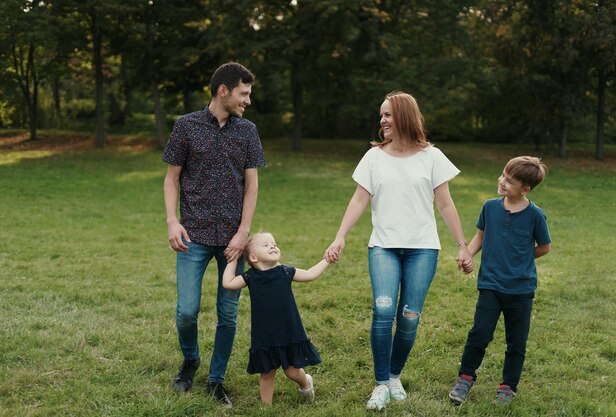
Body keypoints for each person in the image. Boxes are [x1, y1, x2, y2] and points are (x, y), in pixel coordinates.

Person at [324, 91, 473, 410]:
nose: (382, 120)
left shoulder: (432, 157)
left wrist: (463, 246)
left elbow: (445, 204)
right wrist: (340, 237)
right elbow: (359, 199)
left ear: (404, 116)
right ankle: (380, 384)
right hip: (383, 247)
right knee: (382, 310)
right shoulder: (374, 157)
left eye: (388, 115)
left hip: (423, 249)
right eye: (381, 115)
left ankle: (394, 376)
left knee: (408, 318)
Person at [162, 62, 265, 407]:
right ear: (224, 90)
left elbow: (251, 187)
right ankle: (190, 360)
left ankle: (216, 380)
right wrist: (171, 221)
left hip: (233, 242)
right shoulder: (186, 127)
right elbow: (171, 179)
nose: (248, 100)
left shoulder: (248, 131)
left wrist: (243, 233)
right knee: (187, 311)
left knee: (228, 313)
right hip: (193, 235)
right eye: (244, 93)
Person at [448, 156, 551, 405]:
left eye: (510, 180)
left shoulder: (536, 215)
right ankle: (465, 378)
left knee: (516, 341)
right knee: (479, 333)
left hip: (521, 289)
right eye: (503, 175)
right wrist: (467, 255)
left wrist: (521, 259)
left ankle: (507, 386)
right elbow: (480, 237)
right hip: (490, 285)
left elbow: (545, 247)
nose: (502, 181)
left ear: (525, 189)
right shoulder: (490, 207)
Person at [222, 232, 329, 405]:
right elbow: (228, 283)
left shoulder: (285, 272)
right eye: (265, 245)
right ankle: (267, 408)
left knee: (292, 372)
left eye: (273, 243)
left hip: (289, 329)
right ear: (254, 258)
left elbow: (310, 274)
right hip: (265, 333)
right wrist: (233, 260)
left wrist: (327, 259)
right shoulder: (250, 277)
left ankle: (305, 383)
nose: (272, 246)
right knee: (267, 372)